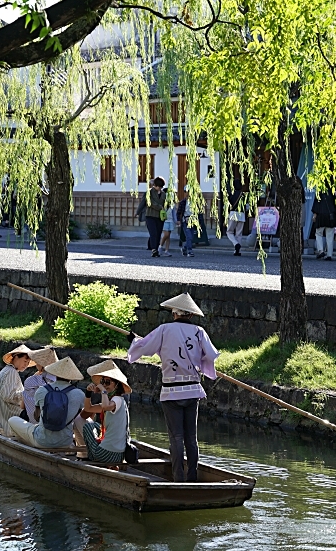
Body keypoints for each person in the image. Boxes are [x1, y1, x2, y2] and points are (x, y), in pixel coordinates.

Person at [127, 292, 219, 481]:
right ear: (191, 315)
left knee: (176, 437)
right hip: (193, 390)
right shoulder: (199, 332)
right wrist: (201, 364)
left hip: (171, 392)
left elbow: (145, 346)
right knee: (191, 438)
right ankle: (192, 476)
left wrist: (134, 341)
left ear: (174, 313)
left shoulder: (164, 330)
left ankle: (178, 478)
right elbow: (211, 355)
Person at [8, 357, 87, 449]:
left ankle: (27, 447)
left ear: (55, 373)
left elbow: (36, 417)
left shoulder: (42, 390)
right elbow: (81, 416)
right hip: (66, 442)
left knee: (12, 420)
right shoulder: (80, 394)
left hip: (42, 440)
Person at [81, 361, 132, 464]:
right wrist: (88, 393)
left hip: (109, 454)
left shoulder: (117, 399)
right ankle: (98, 458)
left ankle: (93, 458)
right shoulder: (112, 401)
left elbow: (105, 406)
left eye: (107, 382)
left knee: (87, 427)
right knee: (94, 425)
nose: (104, 385)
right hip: (117, 455)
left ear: (116, 385)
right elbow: (88, 408)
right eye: (103, 382)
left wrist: (103, 390)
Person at [0, 344, 34, 435]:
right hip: (9, 415)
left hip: (4, 414)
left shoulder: (8, 371)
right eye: (25, 361)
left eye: (28, 363)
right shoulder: (11, 372)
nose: (26, 365)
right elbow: (8, 396)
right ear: (16, 357)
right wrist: (28, 393)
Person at [22, 347, 58, 421]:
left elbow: (23, 406)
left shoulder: (31, 381)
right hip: (55, 423)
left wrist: (37, 375)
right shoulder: (59, 381)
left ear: (42, 365)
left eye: (37, 362)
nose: (36, 364)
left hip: (36, 424)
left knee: (14, 419)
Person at [312, 191, 336, 261]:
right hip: (331, 217)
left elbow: (316, 206)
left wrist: (314, 215)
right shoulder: (332, 193)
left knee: (318, 233)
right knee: (330, 236)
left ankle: (321, 250)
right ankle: (329, 254)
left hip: (321, 216)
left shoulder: (319, 193)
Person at [144, 177, 166, 257]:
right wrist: (160, 207)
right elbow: (150, 203)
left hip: (160, 217)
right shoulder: (149, 192)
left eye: (161, 187)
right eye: (158, 186)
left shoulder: (163, 194)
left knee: (158, 233)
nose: (160, 188)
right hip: (150, 215)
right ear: (155, 185)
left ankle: (156, 249)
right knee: (153, 233)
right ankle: (153, 249)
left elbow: (165, 203)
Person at [226, 187, 247, 256]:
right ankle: (238, 251)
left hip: (233, 214)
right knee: (239, 233)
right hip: (242, 214)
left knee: (229, 232)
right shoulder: (243, 195)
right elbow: (247, 206)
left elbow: (228, 205)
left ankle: (236, 244)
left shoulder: (231, 194)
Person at [176, 188, 195, 257]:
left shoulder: (195, 202)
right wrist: (178, 220)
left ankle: (184, 248)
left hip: (193, 220)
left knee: (191, 237)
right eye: (187, 192)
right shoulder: (183, 202)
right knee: (189, 236)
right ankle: (190, 251)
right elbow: (178, 212)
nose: (188, 193)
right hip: (185, 220)